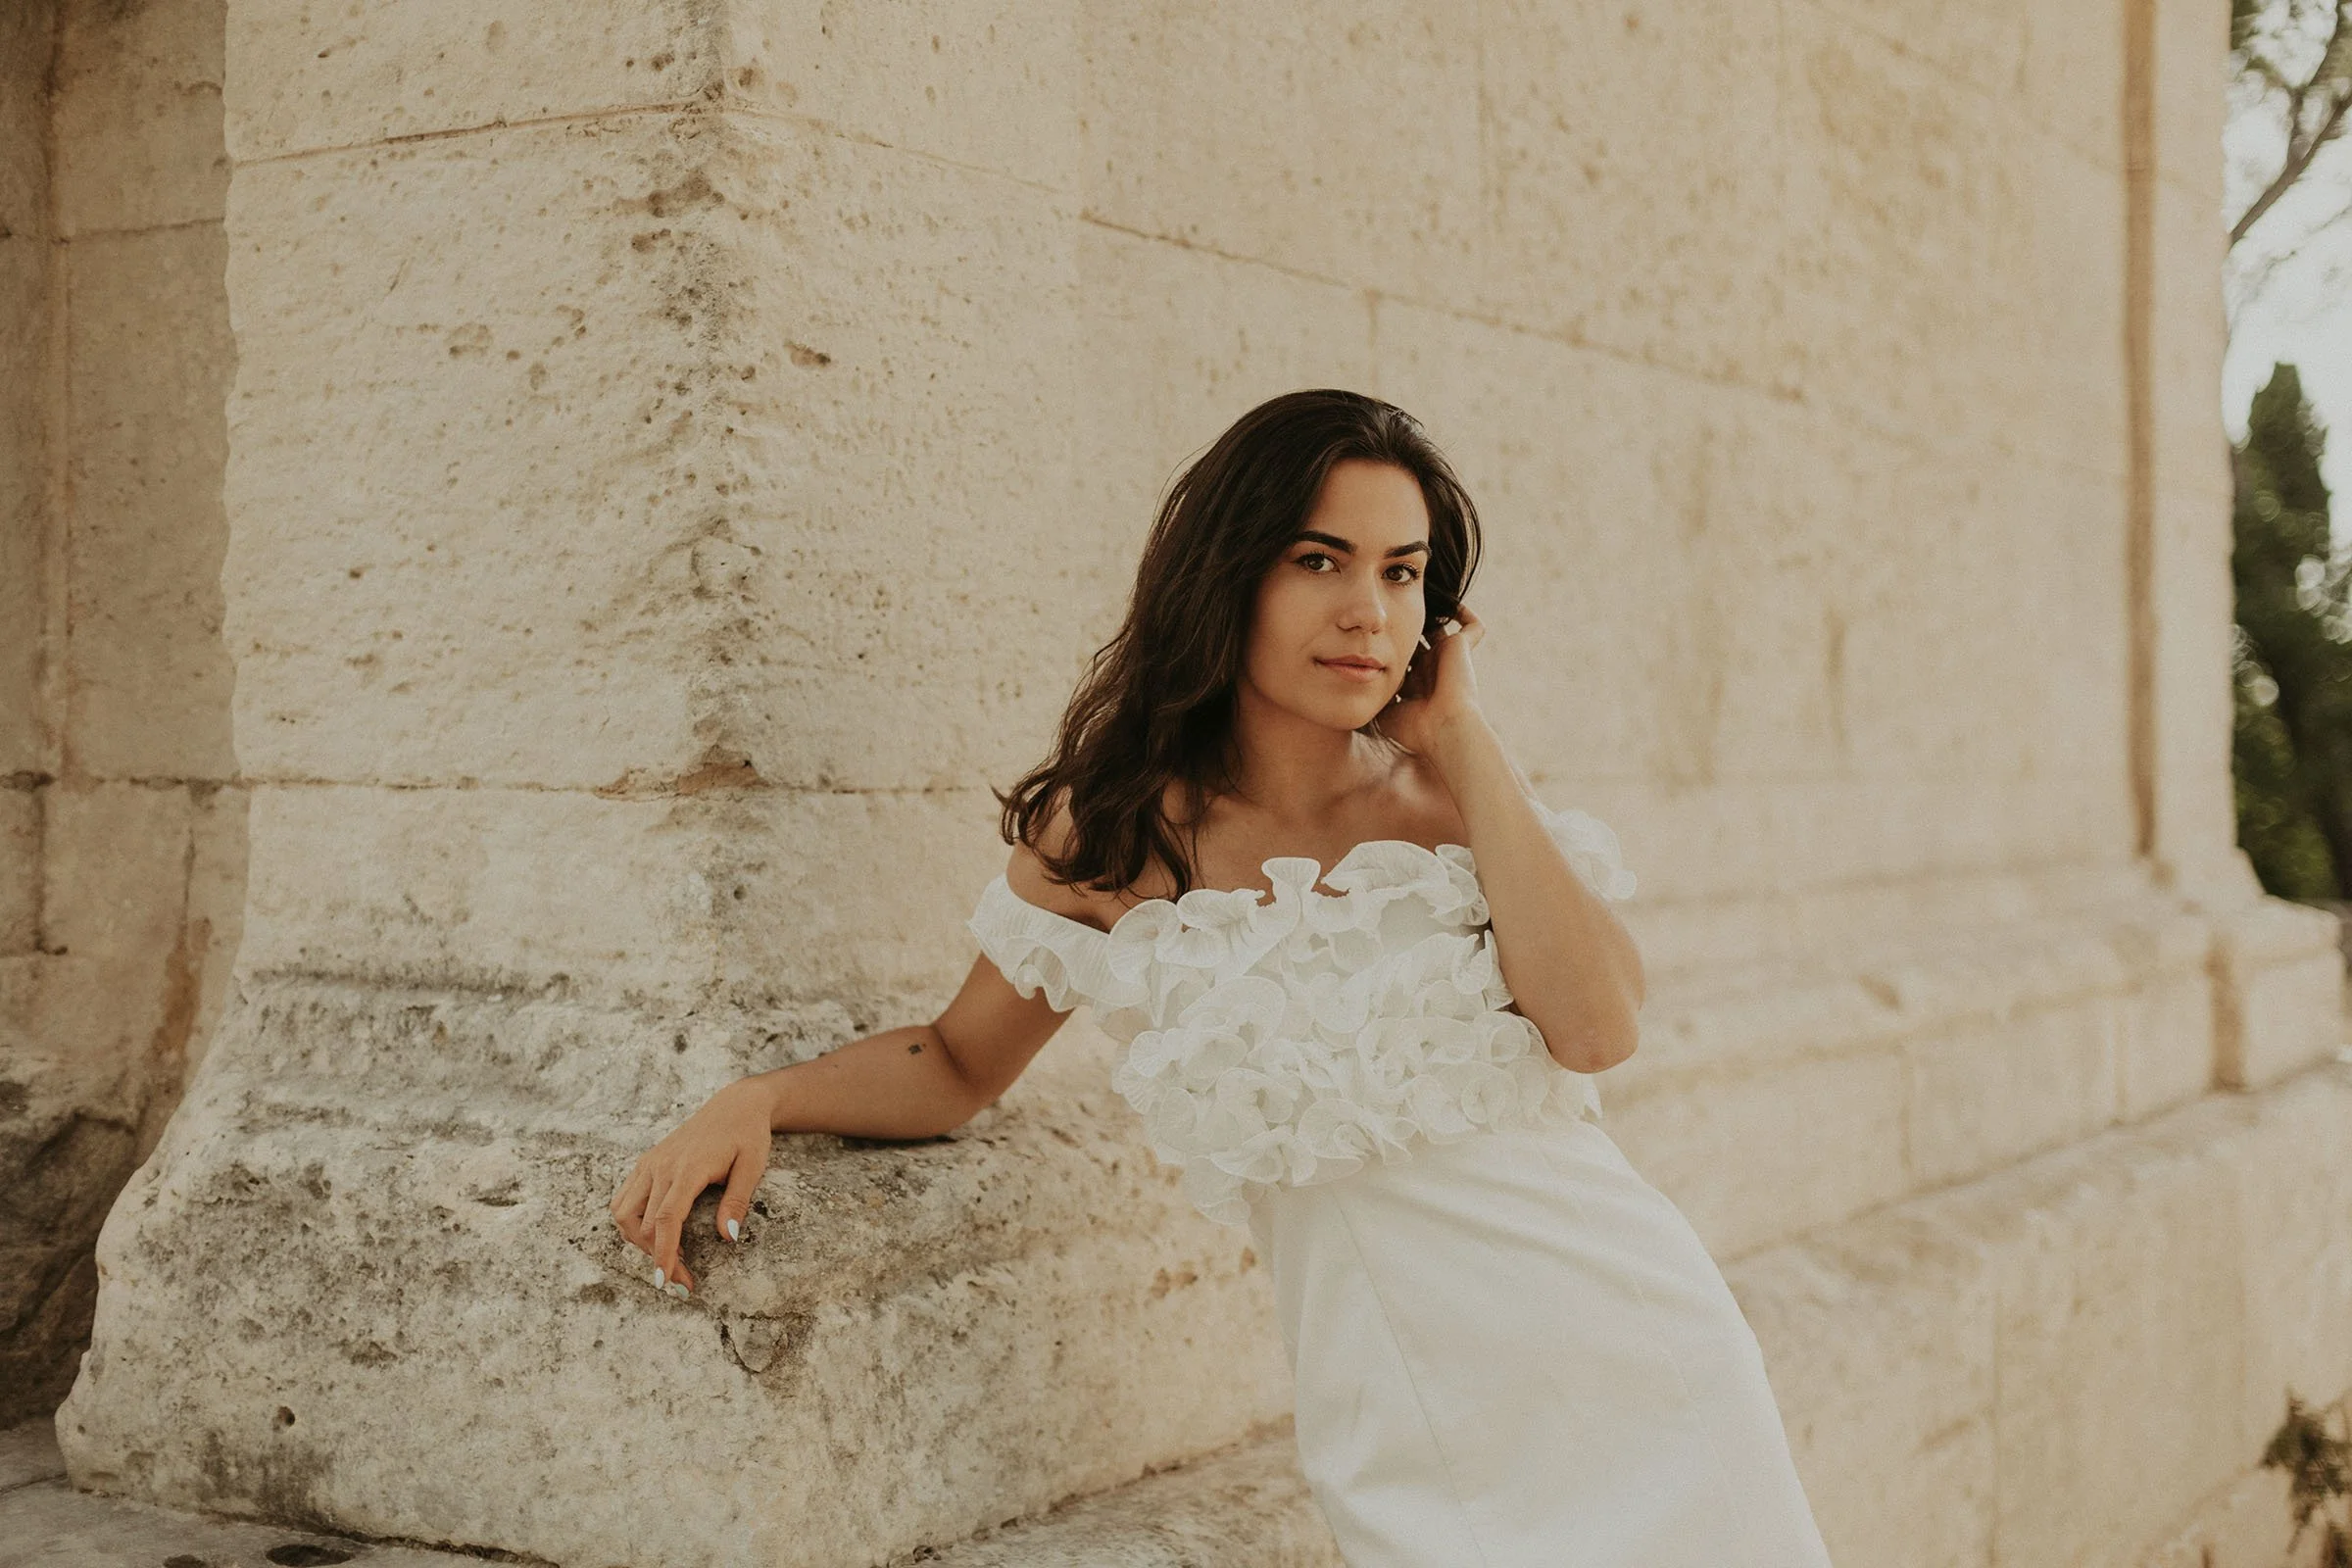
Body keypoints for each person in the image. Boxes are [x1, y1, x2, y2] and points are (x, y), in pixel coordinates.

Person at [610, 389, 1835, 1565]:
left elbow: (1600, 1027)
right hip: (1405, 1417)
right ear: (1230, 575)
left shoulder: (1456, 803)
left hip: (1647, 1365)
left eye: (1401, 572)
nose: (1367, 609)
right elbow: (957, 1063)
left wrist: (1463, 738)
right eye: (1319, 559)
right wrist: (760, 1098)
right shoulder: (1122, 835)